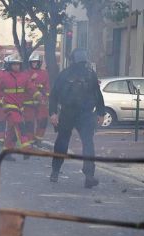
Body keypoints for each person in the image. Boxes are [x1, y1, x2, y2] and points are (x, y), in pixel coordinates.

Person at [49, 48, 106, 188]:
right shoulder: (65, 75)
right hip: (68, 113)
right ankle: (56, 171)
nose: (81, 65)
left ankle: (89, 176)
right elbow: (54, 95)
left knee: (87, 144)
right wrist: (53, 113)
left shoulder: (90, 75)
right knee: (63, 143)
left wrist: (101, 112)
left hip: (85, 114)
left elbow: (97, 94)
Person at [0, 54, 35, 152]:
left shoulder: (24, 76)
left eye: (18, 64)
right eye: (14, 64)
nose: (16, 66)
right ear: (9, 65)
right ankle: (25, 145)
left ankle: (7, 151)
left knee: (11, 131)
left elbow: (31, 88)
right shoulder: (2, 75)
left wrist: (38, 96)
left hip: (19, 107)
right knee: (19, 123)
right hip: (8, 106)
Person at [27, 52, 50, 145]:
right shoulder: (26, 73)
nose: (34, 64)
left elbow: (47, 88)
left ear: (39, 63)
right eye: (32, 62)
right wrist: (31, 79)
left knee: (43, 120)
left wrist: (45, 97)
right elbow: (24, 86)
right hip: (29, 102)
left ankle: (38, 139)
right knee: (29, 122)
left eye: (36, 62)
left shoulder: (44, 74)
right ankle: (30, 140)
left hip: (41, 102)